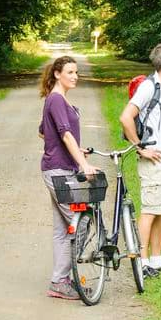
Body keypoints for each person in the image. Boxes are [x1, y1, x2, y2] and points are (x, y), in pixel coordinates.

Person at [120, 41, 161, 279]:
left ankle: (157, 261)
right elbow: (126, 117)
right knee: (149, 211)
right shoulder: (149, 86)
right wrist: (140, 147)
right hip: (154, 158)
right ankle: (142, 263)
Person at [38, 55, 97, 300]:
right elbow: (64, 135)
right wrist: (83, 163)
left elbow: (44, 132)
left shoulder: (59, 100)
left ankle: (60, 280)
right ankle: (62, 279)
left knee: (63, 229)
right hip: (59, 171)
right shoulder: (56, 100)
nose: (75, 76)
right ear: (57, 74)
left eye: (76, 72)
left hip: (59, 167)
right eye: (70, 72)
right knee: (81, 221)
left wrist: (75, 152)